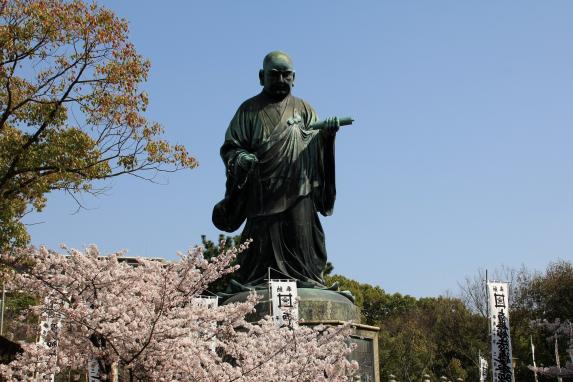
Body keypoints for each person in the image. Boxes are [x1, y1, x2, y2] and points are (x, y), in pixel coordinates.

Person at [213, 51, 339, 288]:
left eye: (286, 75)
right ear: (262, 77)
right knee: (261, 245)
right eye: (274, 75)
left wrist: (327, 137)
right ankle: (257, 279)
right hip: (262, 189)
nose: (281, 80)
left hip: (300, 188)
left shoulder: (304, 109)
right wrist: (241, 158)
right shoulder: (248, 111)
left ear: (294, 77)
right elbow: (230, 148)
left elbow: (316, 149)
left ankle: (306, 277)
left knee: (301, 239)